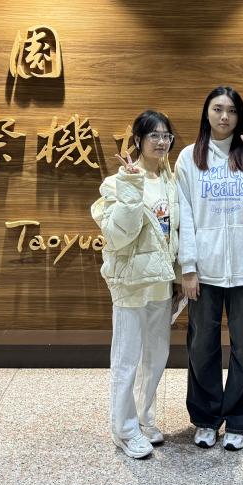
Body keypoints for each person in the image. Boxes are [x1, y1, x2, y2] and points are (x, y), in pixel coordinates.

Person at [176, 85, 243, 451]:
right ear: (207, 113)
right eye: (217, 109)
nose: (224, 116)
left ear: (239, 116)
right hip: (205, 268)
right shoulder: (189, 157)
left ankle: (240, 419)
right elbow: (185, 215)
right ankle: (206, 418)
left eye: (231, 110)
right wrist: (188, 267)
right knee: (202, 344)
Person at [91, 110, 180, 459]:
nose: (161, 142)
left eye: (166, 135)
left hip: (161, 282)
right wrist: (130, 187)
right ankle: (124, 430)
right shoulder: (117, 183)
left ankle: (144, 418)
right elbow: (118, 235)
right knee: (127, 358)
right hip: (131, 284)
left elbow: (175, 233)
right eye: (153, 135)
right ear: (138, 141)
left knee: (155, 357)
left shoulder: (171, 181)